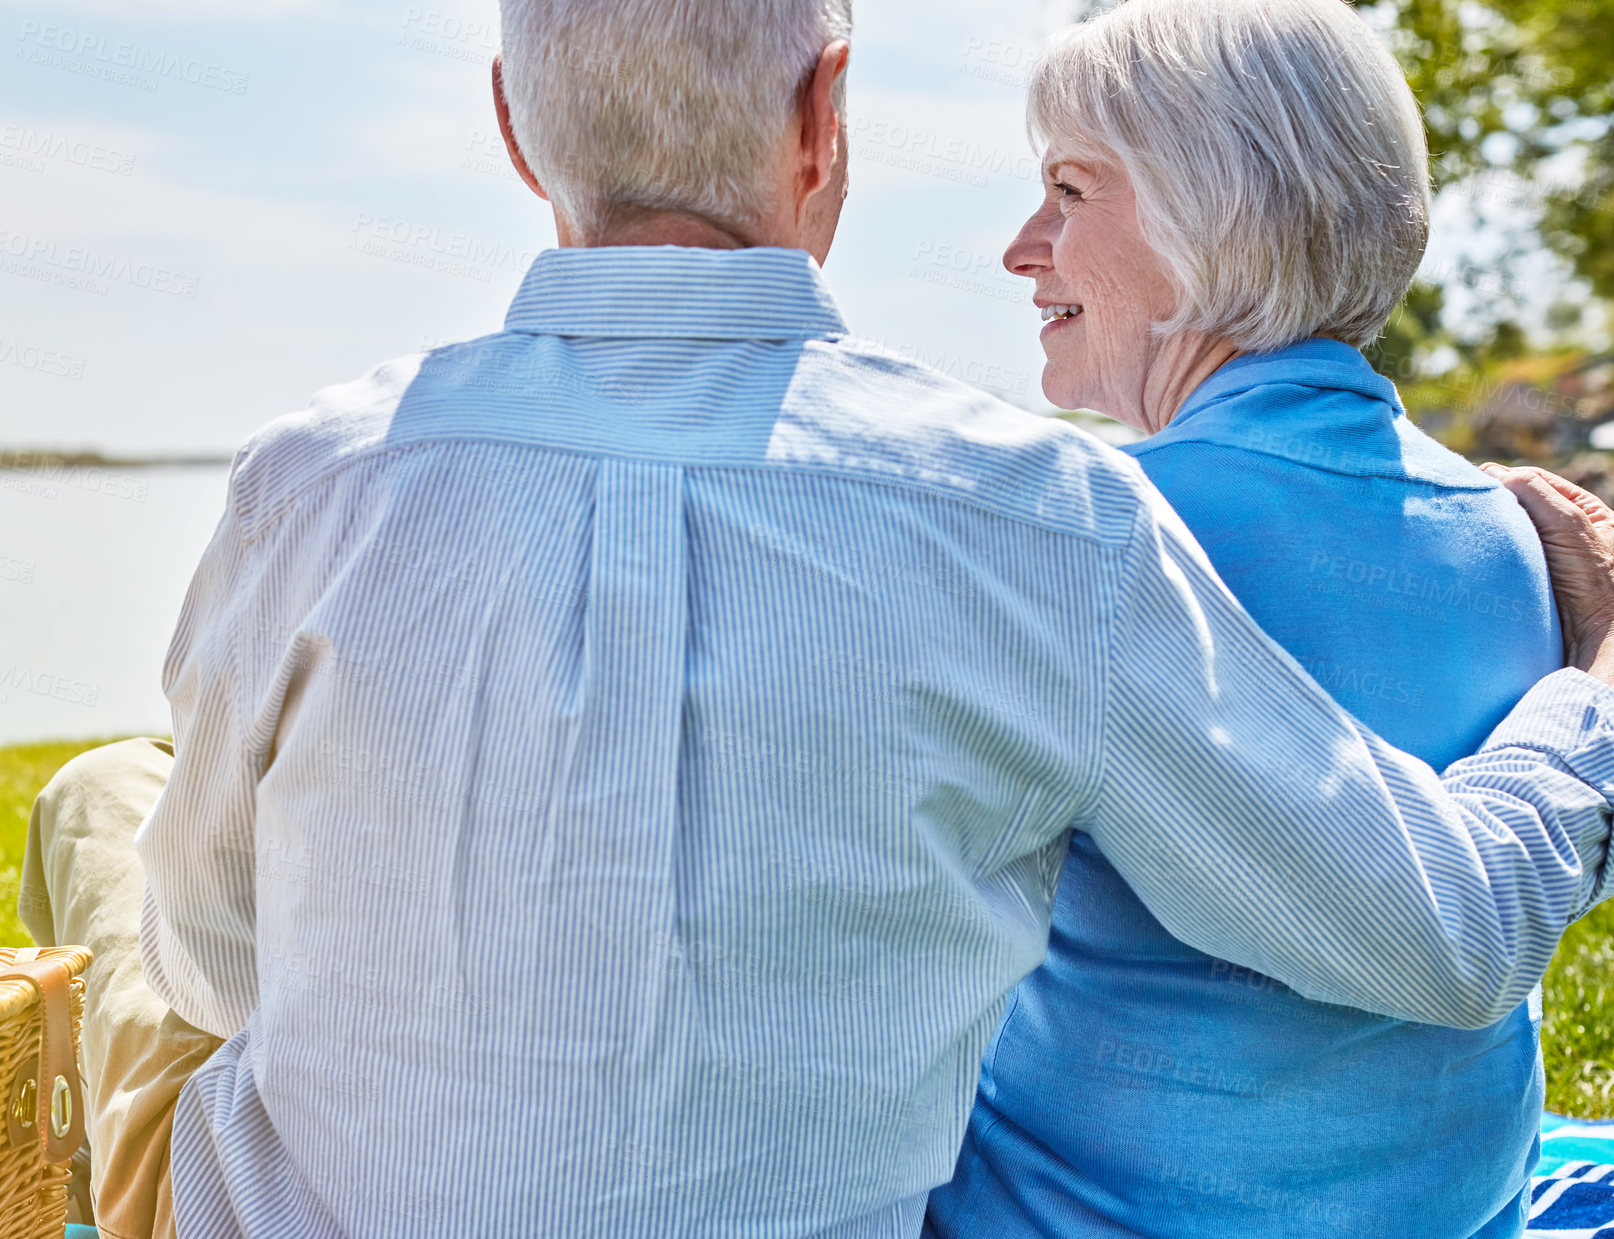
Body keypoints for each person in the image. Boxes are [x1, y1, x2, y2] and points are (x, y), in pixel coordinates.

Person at [19, 1, 1614, 1235]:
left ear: (513, 127)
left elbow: (222, 970)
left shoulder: (313, 478)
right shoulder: (1034, 516)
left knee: (107, 794)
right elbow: (1436, 929)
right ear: (823, 115)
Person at [924, 2, 1574, 1236]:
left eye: (1069, 190)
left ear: (1205, 214)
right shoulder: (1515, 535)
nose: (1022, 247)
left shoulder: (1103, 533)